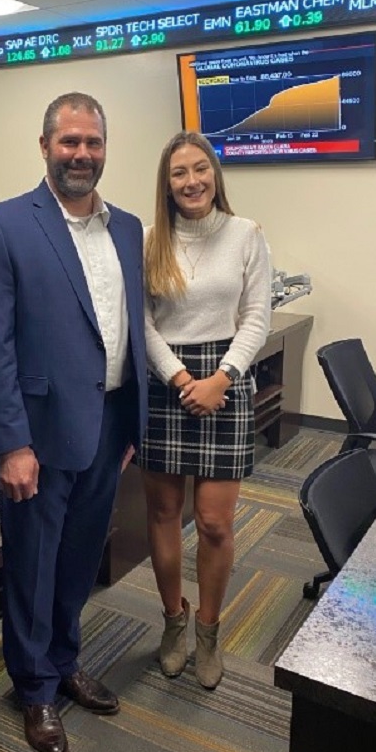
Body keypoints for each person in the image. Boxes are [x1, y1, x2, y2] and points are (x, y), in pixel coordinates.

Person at [0, 92, 147, 752]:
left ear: (105, 148)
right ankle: (34, 687)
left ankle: (64, 658)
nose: (81, 154)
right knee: (32, 563)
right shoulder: (3, 224)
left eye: (92, 142)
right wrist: (10, 441)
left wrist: (131, 420)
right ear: (44, 145)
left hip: (108, 423)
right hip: (38, 434)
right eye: (69, 141)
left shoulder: (126, 227)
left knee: (79, 557)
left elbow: (130, 327)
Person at [139, 130, 271, 690]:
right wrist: (179, 376)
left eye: (200, 170)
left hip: (226, 381)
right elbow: (141, 323)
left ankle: (209, 632)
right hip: (166, 382)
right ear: (166, 185)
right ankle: (174, 621)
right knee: (164, 515)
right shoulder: (150, 240)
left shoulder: (246, 234)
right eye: (178, 173)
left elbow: (257, 317)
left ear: (215, 174)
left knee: (215, 522)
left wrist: (221, 378)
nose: (191, 181)